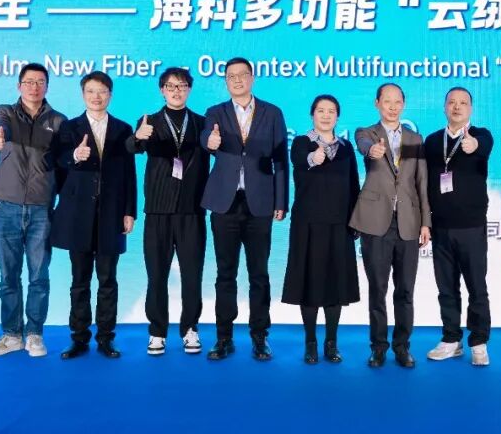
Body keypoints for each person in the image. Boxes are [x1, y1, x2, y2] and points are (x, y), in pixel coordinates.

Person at [203, 57, 289, 361]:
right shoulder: (215, 112)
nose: (237, 80)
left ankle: (260, 337)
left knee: (259, 274)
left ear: (252, 78)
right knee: (225, 273)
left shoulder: (272, 112)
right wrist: (210, 142)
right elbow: (205, 140)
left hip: (260, 202)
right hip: (224, 203)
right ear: (226, 81)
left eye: (242, 75)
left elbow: (281, 159)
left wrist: (281, 201)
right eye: (231, 76)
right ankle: (223, 337)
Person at [52, 71, 138, 359]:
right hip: (78, 214)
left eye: (102, 91)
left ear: (110, 95)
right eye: (90, 91)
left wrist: (129, 211)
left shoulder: (123, 129)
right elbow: (57, 162)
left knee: (108, 280)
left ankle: (105, 338)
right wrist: (74, 157)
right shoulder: (69, 127)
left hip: (111, 215)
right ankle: (78, 338)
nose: (96, 96)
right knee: (79, 281)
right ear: (83, 94)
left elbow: (129, 174)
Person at [127, 66, 210, 356]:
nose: (176, 91)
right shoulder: (148, 121)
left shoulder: (202, 123)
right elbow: (133, 147)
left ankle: (190, 328)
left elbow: (215, 151)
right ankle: (157, 331)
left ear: (189, 89)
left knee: (192, 275)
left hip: (192, 210)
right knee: (157, 275)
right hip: (158, 210)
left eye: (182, 85)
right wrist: (138, 137)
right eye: (171, 86)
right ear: (162, 90)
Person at [0, 63, 65, 358]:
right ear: (19, 86)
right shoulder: (5, 112)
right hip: (6, 206)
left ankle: (34, 334)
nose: (34, 87)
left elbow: (64, 164)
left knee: (38, 276)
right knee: (8, 276)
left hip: (41, 209)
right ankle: (11, 334)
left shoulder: (58, 121)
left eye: (40, 82)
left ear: (47, 86)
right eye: (29, 82)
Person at [351, 82, 430, 368]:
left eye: (398, 102)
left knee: (405, 290)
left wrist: (426, 223)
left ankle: (402, 346)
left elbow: (421, 182)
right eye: (387, 101)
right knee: (378, 289)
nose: (393, 107)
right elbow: (364, 147)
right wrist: (372, 150)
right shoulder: (366, 133)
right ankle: (378, 347)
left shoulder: (414, 139)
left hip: (408, 222)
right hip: (375, 223)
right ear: (377, 103)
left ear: (403, 105)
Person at [281, 95, 361, 365]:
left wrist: (356, 220)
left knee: (335, 284)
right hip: (309, 224)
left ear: (337, 116)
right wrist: (313, 158)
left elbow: (353, 185)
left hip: (340, 224)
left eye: (331, 111)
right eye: (321, 110)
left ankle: (331, 342)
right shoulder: (301, 143)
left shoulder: (346, 148)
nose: (326, 115)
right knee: (310, 283)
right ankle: (311, 343)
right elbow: (299, 162)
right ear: (312, 114)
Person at [423, 86, 494, 366]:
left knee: (477, 287)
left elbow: (482, 147)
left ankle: (479, 341)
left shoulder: (481, 135)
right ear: (444, 107)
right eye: (452, 102)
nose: (457, 107)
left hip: (471, 227)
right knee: (446, 287)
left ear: (470, 108)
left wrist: (473, 145)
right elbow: (424, 182)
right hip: (441, 226)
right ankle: (451, 339)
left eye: (463, 103)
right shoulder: (432, 141)